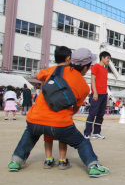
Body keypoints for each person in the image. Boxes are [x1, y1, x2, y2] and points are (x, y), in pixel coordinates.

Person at [8, 47, 109, 178]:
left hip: (35, 118)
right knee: (81, 142)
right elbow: (76, 108)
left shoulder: (53, 70)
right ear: (85, 68)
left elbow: (36, 75)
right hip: (61, 125)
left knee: (30, 134)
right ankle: (93, 166)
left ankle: (15, 161)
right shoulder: (84, 86)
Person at [84, 51, 111, 140]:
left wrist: (106, 96)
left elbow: (104, 83)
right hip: (97, 94)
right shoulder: (95, 67)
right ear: (102, 58)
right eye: (108, 58)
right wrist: (94, 92)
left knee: (100, 115)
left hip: (104, 94)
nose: (108, 60)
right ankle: (87, 133)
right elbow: (93, 80)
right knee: (92, 113)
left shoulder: (106, 70)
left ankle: (96, 132)